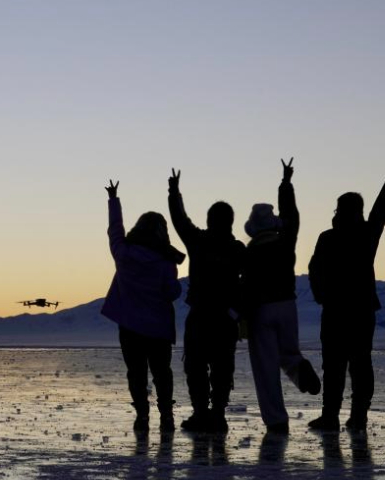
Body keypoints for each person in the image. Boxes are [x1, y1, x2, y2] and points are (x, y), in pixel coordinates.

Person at [308, 155, 385, 432]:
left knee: (337, 365)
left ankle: (333, 416)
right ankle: (355, 416)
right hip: (359, 311)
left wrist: (320, 295)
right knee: (358, 364)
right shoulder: (364, 233)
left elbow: (314, 269)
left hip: (339, 311)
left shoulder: (330, 237)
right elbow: (380, 213)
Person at [241, 158, 321, 434]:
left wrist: (239, 315)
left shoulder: (250, 252)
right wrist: (286, 184)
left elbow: (247, 287)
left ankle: (276, 420)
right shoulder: (286, 241)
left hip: (262, 309)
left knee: (265, 367)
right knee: (289, 352)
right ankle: (300, 369)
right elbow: (293, 215)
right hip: (288, 305)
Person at [101, 179, 186, 432]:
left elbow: (115, 230)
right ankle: (167, 415)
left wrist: (114, 199)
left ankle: (142, 415)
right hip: (158, 329)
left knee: (136, 372)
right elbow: (172, 292)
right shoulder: (164, 263)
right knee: (162, 372)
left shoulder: (124, 254)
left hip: (130, 329)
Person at [167, 169, 245, 432]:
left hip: (204, 317)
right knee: (220, 368)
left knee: (198, 367)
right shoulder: (236, 249)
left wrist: (174, 192)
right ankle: (215, 414)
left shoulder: (200, 241)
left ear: (211, 220)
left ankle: (205, 413)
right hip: (223, 319)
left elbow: (180, 220)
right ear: (231, 222)